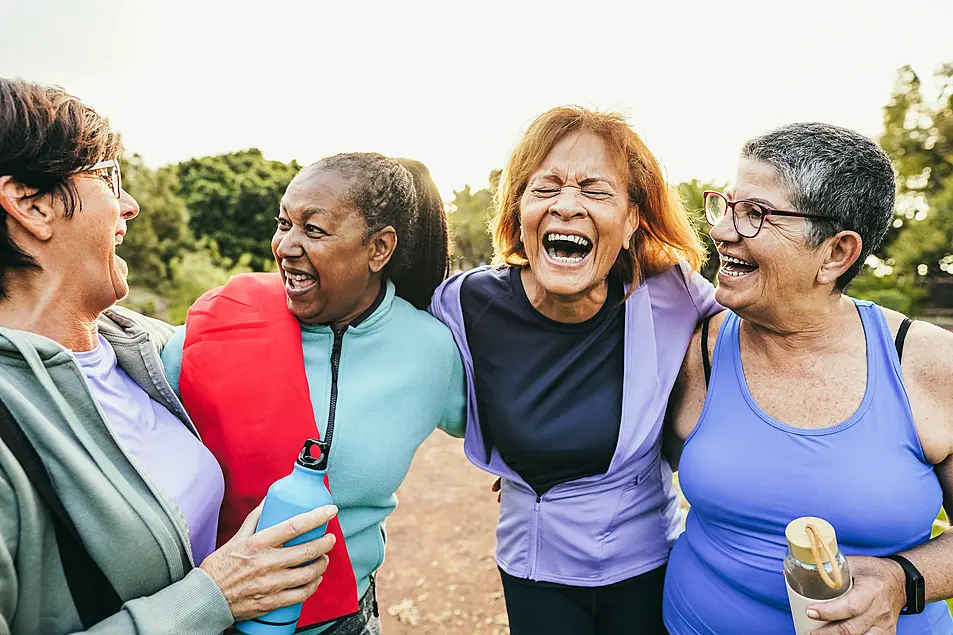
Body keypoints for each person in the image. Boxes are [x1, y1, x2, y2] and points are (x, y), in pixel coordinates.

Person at [0, 78, 338, 635]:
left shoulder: (147, 346)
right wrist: (213, 598)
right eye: (108, 177)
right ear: (32, 205)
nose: (129, 205)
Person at [429, 106, 719, 635]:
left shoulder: (672, 294)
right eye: (546, 188)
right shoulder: (464, 304)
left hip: (648, 564)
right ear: (518, 212)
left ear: (632, 220)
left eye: (594, 190)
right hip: (534, 570)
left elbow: (762, 340)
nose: (567, 205)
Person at [664, 122, 953, 634]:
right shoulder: (697, 348)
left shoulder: (925, 363)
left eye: (756, 214)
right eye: (727, 206)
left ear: (836, 253)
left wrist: (901, 580)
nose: (723, 231)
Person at [161, 152, 467, 635]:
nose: (285, 246)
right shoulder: (222, 323)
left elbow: (503, 428)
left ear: (379, 248)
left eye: (314, 230)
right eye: (283, 223)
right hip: (213, 614)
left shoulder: (432, 350)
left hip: (345, 619)